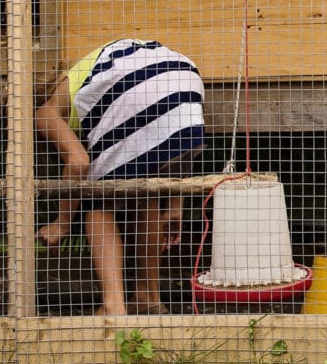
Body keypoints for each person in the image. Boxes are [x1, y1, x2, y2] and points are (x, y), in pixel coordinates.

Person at [36, 38, 205, 316]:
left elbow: (78, 164)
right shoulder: (97, 69)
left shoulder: (47, 110)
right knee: (146, 192)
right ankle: (148, 298)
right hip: (186, 84)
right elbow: (163, 134)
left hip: (137, 93)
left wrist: (61, 223)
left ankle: (114, 305)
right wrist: (175, 205)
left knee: (96, 198)